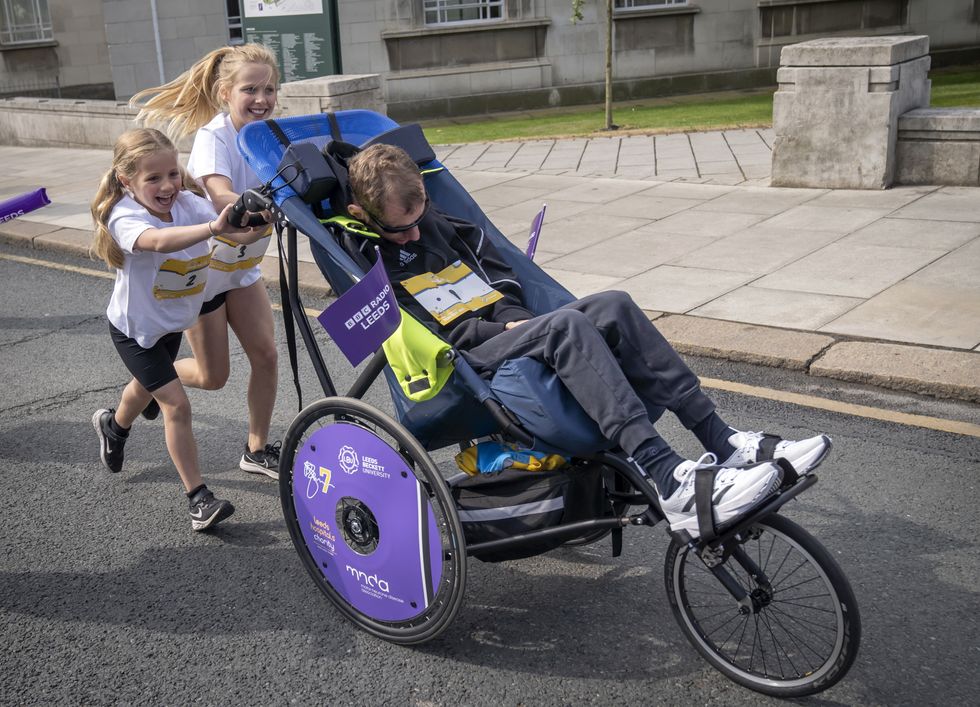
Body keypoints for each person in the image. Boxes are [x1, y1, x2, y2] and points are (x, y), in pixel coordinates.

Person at [343, 144, 832, 538]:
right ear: (362, 214)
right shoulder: (367, 256)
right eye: (396, 227)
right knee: (566, 327)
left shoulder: (444, 223)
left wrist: (512, 319)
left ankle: (723, 440)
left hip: (506, 333)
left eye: (417, 216)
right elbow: (415, 331)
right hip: (456, 359)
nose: (411, 233)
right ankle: (666, 476)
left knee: (614, 303)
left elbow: (501, 278)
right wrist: (502, 330)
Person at [90, 128, 265, 531]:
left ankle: (114, 427)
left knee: (147, 386)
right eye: (153, 178)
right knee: (177, 405)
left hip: (173, 324)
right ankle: (198, 499)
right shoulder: (125, 215)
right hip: (133, 331)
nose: (168, 185)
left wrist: (257, 221)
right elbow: (158, 242)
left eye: (172, 173)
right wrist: (213, 230)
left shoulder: (188, 203)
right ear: (125, 180)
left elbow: (232, 229)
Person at [129, 43, 281, 479]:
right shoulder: (215, 137)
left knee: (266, 356)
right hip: (205, 275)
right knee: (213, 377)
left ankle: (256, 449)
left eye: (269, 89)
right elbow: (221, 195)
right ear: (224, 93)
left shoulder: (269, 134)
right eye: (250, 89)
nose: (262, 99)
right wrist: (257, 206)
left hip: (242, 268)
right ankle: (129, 405)